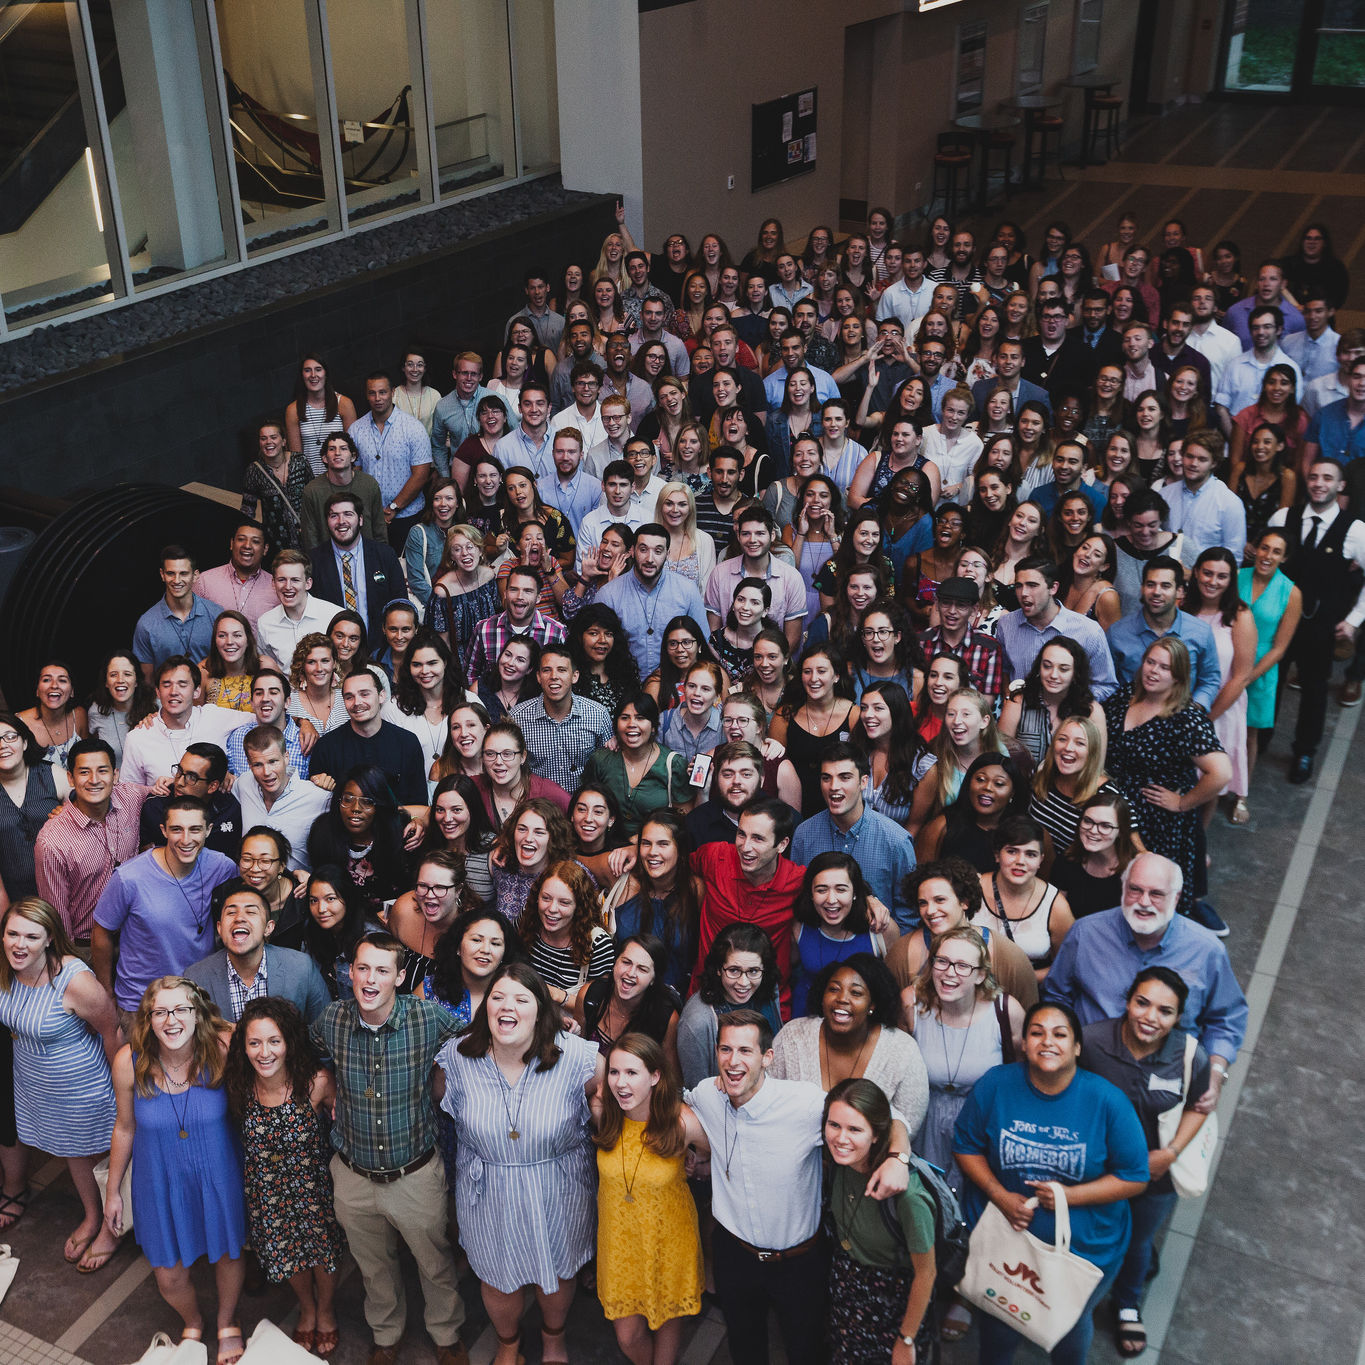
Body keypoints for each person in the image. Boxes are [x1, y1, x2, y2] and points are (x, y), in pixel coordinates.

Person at [682, 1009, 915, 1365]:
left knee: (806, 1350)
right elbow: (684, 1107)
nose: (733, 1061)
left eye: (746, 1051)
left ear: (767, 1057)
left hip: (799, 1261)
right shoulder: (707, 1093)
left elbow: (888, 1114)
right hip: (734, 1254)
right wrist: (695, 1154)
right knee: (745, 1350)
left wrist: (898, 1158)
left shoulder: (803, 1103)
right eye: (725, 1050)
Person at [953, 1000, 1150, 1365]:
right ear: (1024, 1043)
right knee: (997, 1326)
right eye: (1037, 1033)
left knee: (1068, 1333)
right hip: (1003, 1239)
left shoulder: (1106, 1101)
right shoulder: (997, 1084)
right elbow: (965, 1146)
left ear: (1077, 1047)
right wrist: (999, 1195)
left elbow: (1135, 1176)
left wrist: (1069, 1196)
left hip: (1084, 1249)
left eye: (1060, 1034)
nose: (1048, 1041)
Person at [310, 931, 469, 1365]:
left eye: (382, 970)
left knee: (434, 1263)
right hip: (353, 1174)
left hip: (414, 1173)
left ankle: (446, 1334)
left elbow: (479, 1040)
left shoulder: (427, 1018)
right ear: (350, 972)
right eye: (362, 968)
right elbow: (307, 1051)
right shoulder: (333, 1019)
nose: (369, 979)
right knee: (372, 1266)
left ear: (400, 977)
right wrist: (326, 1088)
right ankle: (386, 1334)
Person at [436, 962, 603, 1365]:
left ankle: (553, 1338)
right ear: (486, 1007)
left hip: (558, 1187)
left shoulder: (578, 1057)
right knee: (496, 1278)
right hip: (487, 1191)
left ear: (541, 1010)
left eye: (521, 998)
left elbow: (610, 1101)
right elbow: (439, 1102)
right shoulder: (457, 1059)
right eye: (497, 997)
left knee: (558, 1273)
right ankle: (508, 1343)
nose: (507, 1006)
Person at [103, 976, 247, 1363]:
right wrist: (112, 1191)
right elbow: (124, 1127)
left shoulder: (221, 1048)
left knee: (228, 1253)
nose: (171, 1020)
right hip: (158, 1181)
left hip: (218, 1176)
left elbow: (264, 1044)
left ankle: (226, 1320)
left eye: (181, 1009)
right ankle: (193, 1321)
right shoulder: (128, 1062)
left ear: (198, 1015)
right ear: (147, 1019)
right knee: (168, 1273)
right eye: (160, 1011)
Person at [1044, 852, 1246, 1113]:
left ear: (1176, 897)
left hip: (1166, 1090)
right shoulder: (1086, 933)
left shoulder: (1207, 951)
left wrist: (1215, 1075)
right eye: (1135, 890)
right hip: (1088, 1077)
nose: (1144, 902)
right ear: (1122, 889)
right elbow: (1056, 996)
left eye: (1156, 894)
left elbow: (1226, 1020)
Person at [1079, 967, 1212, 1358]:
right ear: (1127, 1000)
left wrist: (1169, 1154)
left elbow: (1199, 1108)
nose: (1150, 1018)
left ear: (1178, 1017)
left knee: (1137, 1240)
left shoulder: (1190, 1056)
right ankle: (1078, 1298)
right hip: (1098, 1168)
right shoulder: (1091, 1041)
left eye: (1165, 1011)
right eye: (1142, 1003)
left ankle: (1127, 1304)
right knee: (1092, 1233)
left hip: (1155, 1175)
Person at [0, 898, 119, 1272]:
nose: (20, 944)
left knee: (100, 1157)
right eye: (12, 934)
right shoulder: (5, 969)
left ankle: (113, 1229)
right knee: (72, 1152)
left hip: (80, 1084)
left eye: (31, 936)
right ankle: (91, 1215)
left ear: (50, 938)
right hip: (35, 1082)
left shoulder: (75, 980)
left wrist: (123, 1090)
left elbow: (111, 1030)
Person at [223, 997, 345, 1358]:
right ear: (243, 1046)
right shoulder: (239, 1086)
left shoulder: (316, 1083)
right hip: (267, 1191)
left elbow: (343, 1123)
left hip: (314, 1189)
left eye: (274, 1041)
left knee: (323, 1255)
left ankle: (325, 1310)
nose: (264, 1052)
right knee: (288, 1257)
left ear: (289, 1042)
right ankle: (306, 1307)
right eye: (255, 1042)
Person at [591, 1032, 706, 1365]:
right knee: (628, 1337)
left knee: (667, 1322)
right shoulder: (604, 1113)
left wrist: (698, 1165)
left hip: (669, 1244)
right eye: (614, 1072)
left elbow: (720, 1155)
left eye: (632, 1073)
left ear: (655, 1076)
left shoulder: (680, 1122)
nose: (620, 1083)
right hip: (620, 1246)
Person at [1104, 638, 1231, 919]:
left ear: (1178, 676)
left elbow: (1221, 772)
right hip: (1114, 811)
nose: (1154, 671)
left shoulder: (1185, 719)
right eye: (1151, 662)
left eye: (1165, 667)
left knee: (1148, 895)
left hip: (1156, 823)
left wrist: (1183, 803)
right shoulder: (1125, 695)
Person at [92, 797, 239, 1026]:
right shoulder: (129, 878)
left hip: (197, 1000)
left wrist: (294, 877)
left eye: (195, 829)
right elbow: (101, 933)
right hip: (141, 1004)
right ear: (163, 830)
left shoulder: (223, 868)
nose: (186, 839)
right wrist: (106, 993)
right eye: (177, 829)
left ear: (209, 830)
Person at [1268, 458, 1365, 777]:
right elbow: (1264, 564)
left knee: (1313, 690)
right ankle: (1261, 738)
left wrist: (1354, 619)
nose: (1318, 483)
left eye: (1327, 478)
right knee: (1269, 683)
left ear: (1340, 486)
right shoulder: (1284, 516)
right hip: (1278, 620)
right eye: (1313, 477)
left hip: (1321, 625)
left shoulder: (1355, 530)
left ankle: (1304, 752)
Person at [770, 953, 929, 1129]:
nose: (842, 999)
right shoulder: (792, 1036)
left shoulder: (902, 1050)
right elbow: (769, 1102)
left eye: (856, 993)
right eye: (834, 989)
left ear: (872, 1005)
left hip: (875, 1156)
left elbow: (908, 1125)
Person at [886, 858, 1039, 1014]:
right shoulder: (903, 952)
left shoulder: (1006, 954)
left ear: (964, 902)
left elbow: (1029, 1017)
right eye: (923, 903)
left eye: (940, 900)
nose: (930, 910)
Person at [790, 744, 917, 931]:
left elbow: (908, 916)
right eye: (826, 778)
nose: (834, 787)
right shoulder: (804, 834)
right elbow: (799, 900)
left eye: (845, 777)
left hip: (874, 950)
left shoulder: (896, 841)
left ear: (863, 782)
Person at [184, 880, 330, 1025]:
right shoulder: (196, 978)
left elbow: (323, 1030)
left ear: (268, 928)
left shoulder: (301, 968)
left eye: (251, 912)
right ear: (220, 929)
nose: (239, 918)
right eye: (231, 912)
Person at [1183, 548, 1257, 824]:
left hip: (1221, 709)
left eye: (1222, 576)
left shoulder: (1239, 615)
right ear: (1197, 572)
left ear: (1231, 580)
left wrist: (1206, 718)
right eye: (1208, 573)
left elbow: (1241, 676)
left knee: (1208, 781)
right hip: (1181, 705)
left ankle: (1197, 842)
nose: (1213, 581)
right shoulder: (1182, 608)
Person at [994, 555, 1118, 698]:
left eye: (1032, 585)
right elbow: (1004, 670)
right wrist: (1011, 698)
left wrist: (1073, 705)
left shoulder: (1088, 631)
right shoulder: (1006, 624)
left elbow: (1106, 685)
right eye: (1018, 586)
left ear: (1053, 588)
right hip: (1020, 715)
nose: (1024, 593)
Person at [1237, 529, 1302, 798]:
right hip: (1230, 659)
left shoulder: (1291, 592)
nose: (1268, 555)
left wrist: (1248, 677)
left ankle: (1241, 794)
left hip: (1260, 669)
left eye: (1276, 551)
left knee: (1249, 736)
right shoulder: (1238, 577)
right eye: (1264, 548)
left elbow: (1280, 648)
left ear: (1284, 557)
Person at [308, 667, 428, 805]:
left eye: (364, 694)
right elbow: (316, 806)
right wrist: (319, 787)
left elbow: (420, 805)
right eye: (349, 697)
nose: (357, 702)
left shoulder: (407, 743)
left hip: (396, 825)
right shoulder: (326, 746)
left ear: (381, 696)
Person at [307, 765, 413, 915]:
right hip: (339, 924)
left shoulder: (400, 834)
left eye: (367, 801)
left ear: (379, 804)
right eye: (348, 799)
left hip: (391, 925)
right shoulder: (324, 833)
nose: (355, 808)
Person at [976, 815, 1074, 977]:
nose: (1020, 861)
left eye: (1031, 854)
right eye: (1012, 851)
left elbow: (1065, 966)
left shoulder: (1055, 905)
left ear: (1041, 860)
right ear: (997, 855)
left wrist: (1023, 980)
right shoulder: (973, 888)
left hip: (1026, 993)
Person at [510, 641, 614, 795]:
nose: (554, 677)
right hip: (537, 809)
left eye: (562, 670)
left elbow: (609, 768)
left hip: (583, 810)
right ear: (538, 677)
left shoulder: (597, 714)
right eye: (547, 670)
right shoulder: (517, 718)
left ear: (574, 676)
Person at [583, 694, 693, 837]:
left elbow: (682, 821)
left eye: (640, 718)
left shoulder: (673, 765)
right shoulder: (601, 760)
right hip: (607, 849)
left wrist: (638, 843)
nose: (631, 724)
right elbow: (586, 806)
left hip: (652, 850)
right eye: (624, 718)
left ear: (653, 726)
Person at [768, 645, 860, 817]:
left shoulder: (854, 715)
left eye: (821, 671)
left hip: (840, 810)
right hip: (794, 810)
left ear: (836, 676)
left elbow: (861, 768)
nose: (813, 678)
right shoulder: (785, 715)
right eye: (807, 671)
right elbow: (774, 770)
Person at [351, 369, 435, 551]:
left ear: (393, 392)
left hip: (407, 515)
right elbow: (354, 474)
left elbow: (421, 474)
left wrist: (393, 508)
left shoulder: (413, 428)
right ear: (366, 395)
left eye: (382, 392)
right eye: (372, 393)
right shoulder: (356, 429)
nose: (377, 398)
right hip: (370, 517)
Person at [1000, 636, 1106, 766]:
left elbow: (1096, 768)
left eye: (1064, 669)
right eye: (1047, 666)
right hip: (1022, 784)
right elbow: (1000, 758)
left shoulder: (1092, 711)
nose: (1053, 675)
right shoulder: (1018, 702)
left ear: (1075, 673)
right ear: (1039, 668)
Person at [1049, 793, 1144, 919]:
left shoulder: (1137, 871)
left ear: (1121, 831)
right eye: (1088, 821)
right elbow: (1056, 915)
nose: (1093, 831)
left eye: (1105, 826)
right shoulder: (1066, 862)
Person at [257, 551, 345, 672]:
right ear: (273, 583)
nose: (288, 587)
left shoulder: (334, 616)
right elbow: (268, 668)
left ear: (308, 583)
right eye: (282, 579)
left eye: (295, 580)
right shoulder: (265, 623)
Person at [300, 433, 387, 553]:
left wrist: (381, 557)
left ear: (353, 457)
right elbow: (310, 536)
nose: (337, 453)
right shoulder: (312, 490)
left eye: (343, 448)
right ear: (324, 458)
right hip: (328, 559)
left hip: (367, 556)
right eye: (332, 449)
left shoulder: (369, 484)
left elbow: (379, 528)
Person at [850, 680, 918, 824]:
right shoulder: (852, 749)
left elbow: (915, 826)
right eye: (863, 708)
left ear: (897, 712)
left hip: (894, 844)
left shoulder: (920, 764)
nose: (867, 715)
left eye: (878, 708)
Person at [242, 417, 310, 553]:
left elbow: (314, 496)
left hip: (308, 536)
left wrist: (313, 525)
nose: (268, 442)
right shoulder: (254, 471)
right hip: (277, 543)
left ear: (284, 441)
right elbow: (248, 510)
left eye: (273, 437)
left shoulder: (300, 461)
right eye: (263, 438)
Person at [86, 649, 156, 767]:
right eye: (113, 675)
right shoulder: (96, 711)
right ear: (106, 682)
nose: (120, 680)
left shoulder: (156, 706)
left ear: (137, 681)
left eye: (127, 674)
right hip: (113, 783)